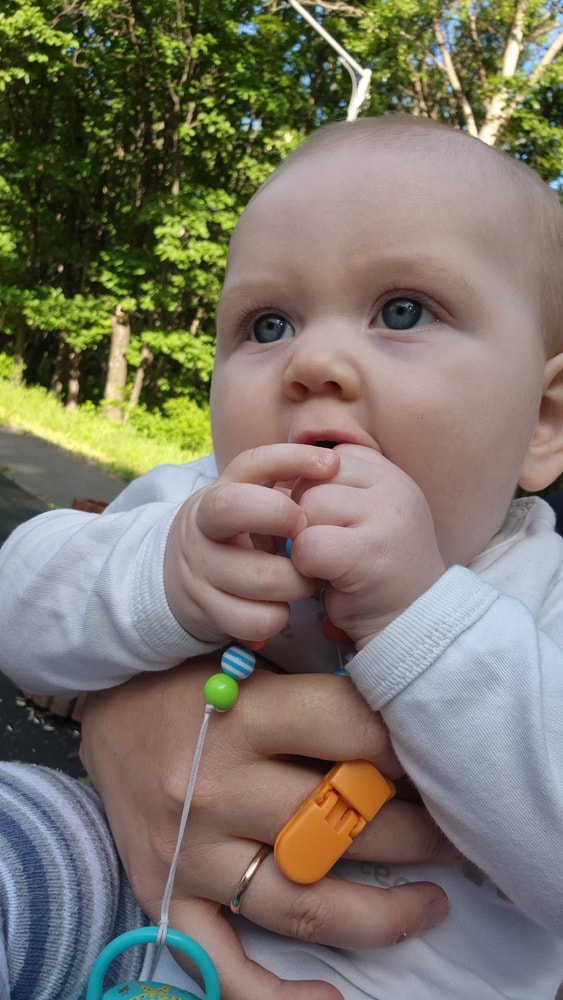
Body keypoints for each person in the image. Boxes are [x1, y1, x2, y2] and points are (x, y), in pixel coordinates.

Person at [1, 113, 563, 999]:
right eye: (267, 324)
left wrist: (421, 622)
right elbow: (19, 603)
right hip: (123, 914)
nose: (312, 361)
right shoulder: (204, 508)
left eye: (403, 310)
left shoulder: (543, 596)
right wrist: (161, 578)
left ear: (542, 421)